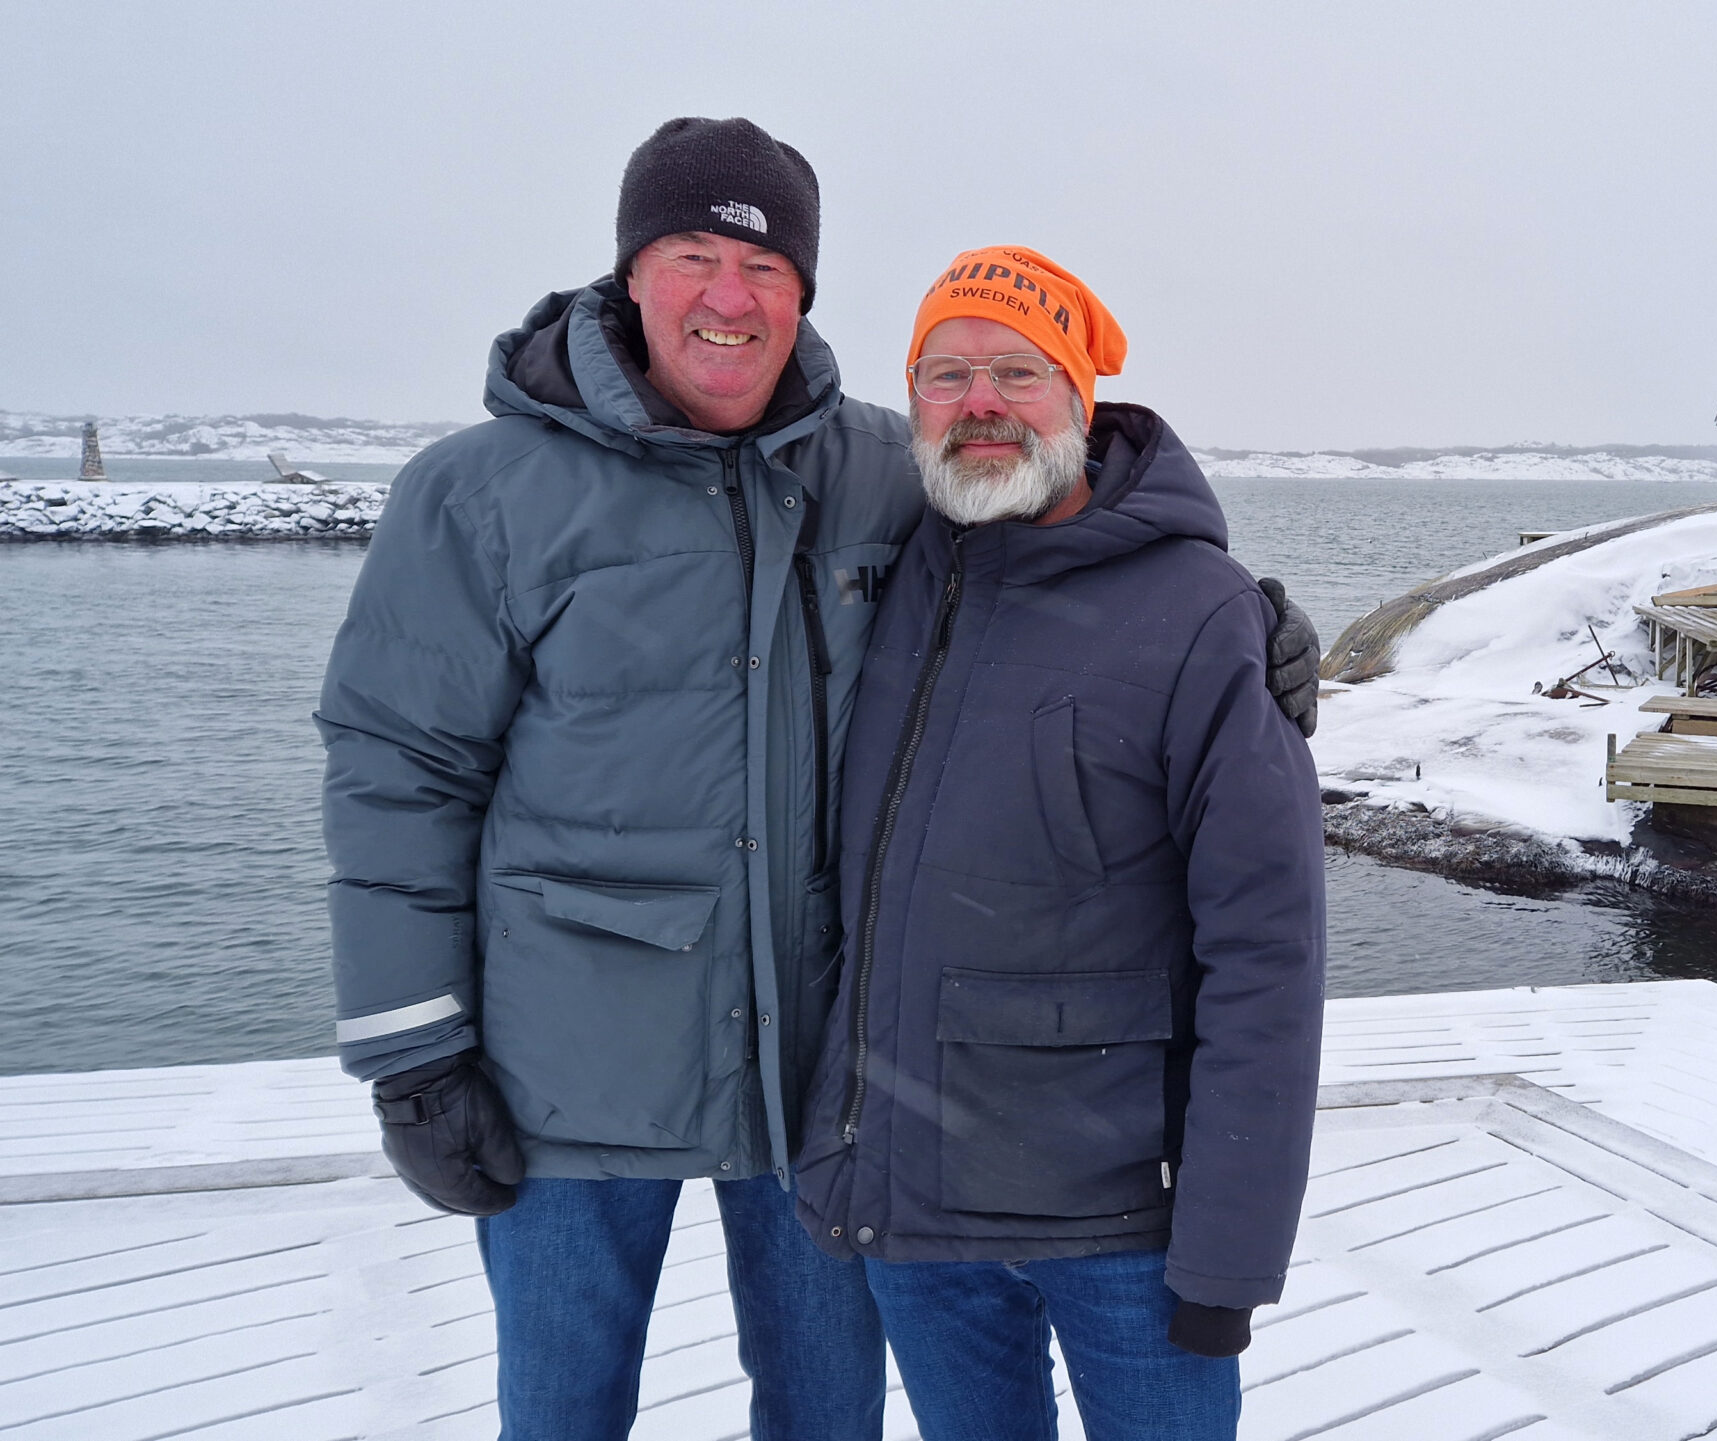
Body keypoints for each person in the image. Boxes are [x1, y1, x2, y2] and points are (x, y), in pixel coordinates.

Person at [317, 121, 1318, 1440]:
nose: (729, 298)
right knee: (559, 1411)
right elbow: (399, 770)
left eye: (766, 267)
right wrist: (414, 1052)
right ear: (631, 275)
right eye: (692, 256)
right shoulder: (480, 494)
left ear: (803, 294)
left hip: (818, 1084)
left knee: (828, 1413)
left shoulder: (869, 470)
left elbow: (1051, 541)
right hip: (561, 1077)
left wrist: (1250, 629)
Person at [793, 246, 1327, 1441]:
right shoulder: (885, 575)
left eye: (1017, 371)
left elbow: (1268, 953)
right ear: (912, 399)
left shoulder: (1198, 613)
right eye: (946, 373)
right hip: (915, 1211)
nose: (980, 402)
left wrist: (1229, 1257)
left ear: (1081, 399)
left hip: (1125, 1235)